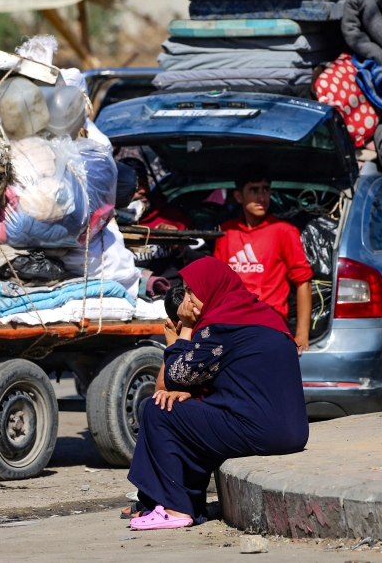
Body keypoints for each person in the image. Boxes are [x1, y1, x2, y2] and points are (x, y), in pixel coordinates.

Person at [124, 257, 308, 530]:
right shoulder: (262, 315)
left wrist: (182, 333)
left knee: (158, 409)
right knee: (184, 409)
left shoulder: (220, 326)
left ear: (211, 287)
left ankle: (175, 510)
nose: (187, 299)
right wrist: (190, 395)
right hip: (292, 432)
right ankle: (170, 503)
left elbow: (172, 380)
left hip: (260, 431)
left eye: (190, 291)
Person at [213, 164, 313, 353]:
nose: (261, 197)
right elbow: (217, 285)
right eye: (254, 190)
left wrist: (301, 334)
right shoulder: (226, 231)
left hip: (268, 322)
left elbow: (303, 282)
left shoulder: (284, 231)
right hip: (230, 322)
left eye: (265, 190)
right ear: (238, 196)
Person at [119, 157, 192, 230]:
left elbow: (192, 235)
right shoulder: (109, 217)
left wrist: (176, 232)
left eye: (144, 183)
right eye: (135, 185)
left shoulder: (170, 215)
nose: (143, 191)